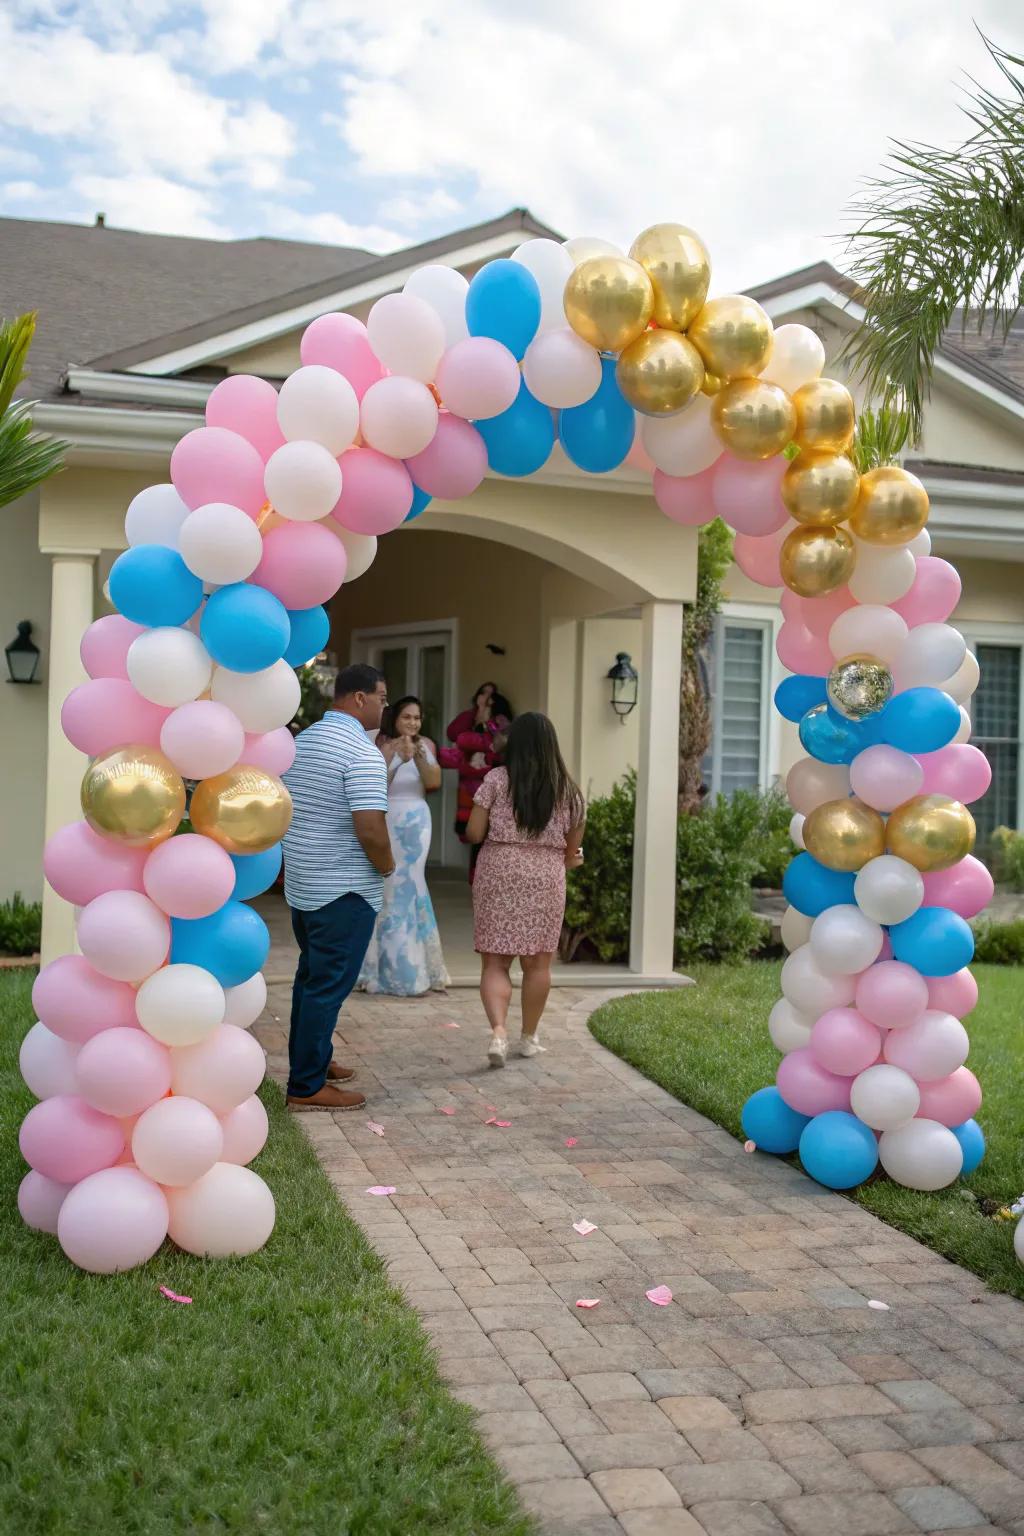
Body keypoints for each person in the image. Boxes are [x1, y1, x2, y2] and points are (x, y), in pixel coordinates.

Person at [281, 664, 394, 1111]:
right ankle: (306, 1086)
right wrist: (385, 866)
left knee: (311, 980)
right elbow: (370, 828)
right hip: (344, 889)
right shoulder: (361, 753)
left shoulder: (302, 743)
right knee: (327, 986)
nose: (386, 706)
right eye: (383, 698)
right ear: (360, 699)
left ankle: (314, 1059)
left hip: (306, 883)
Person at [466, 712, 585, 1068]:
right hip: (545, 876)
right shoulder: (569, 792)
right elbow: (572, 852)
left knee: (495, 961)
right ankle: (529, 1038)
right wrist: (570, 859)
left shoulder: (496, 780)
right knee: (538, 963)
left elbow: (473, 833)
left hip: (498, 871)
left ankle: (499, 1032)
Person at [358, 695, 450, 996]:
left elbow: (433, 783)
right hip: (390, 817)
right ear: (395, 719)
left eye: (417, 717)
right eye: (407, 717)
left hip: (417, 819)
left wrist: (419, 756)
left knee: (413, 882)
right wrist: (394, 756)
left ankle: (422, 966)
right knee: (389, 883)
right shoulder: (382, 744)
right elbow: (375, 784)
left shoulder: (428, 745)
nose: (412, 722)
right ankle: (381, 968)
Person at [440, 682, 513, 881]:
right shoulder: (471, 719)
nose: (485, 698)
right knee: (473, 834)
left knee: (488, 833)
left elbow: (493, 746)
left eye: (491, 695)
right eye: (482, 693)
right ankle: (477, 878)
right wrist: (477, 711)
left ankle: (482, 878)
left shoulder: (500, 722)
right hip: (469, 788)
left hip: (490, 786)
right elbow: (454, 734)